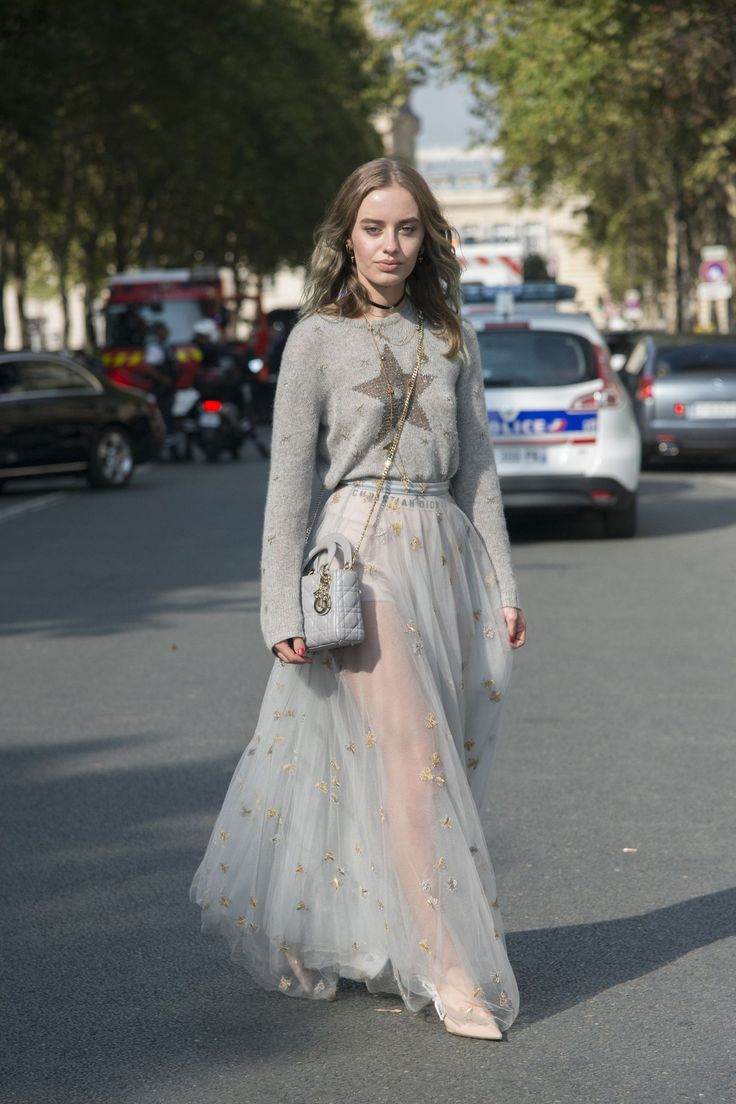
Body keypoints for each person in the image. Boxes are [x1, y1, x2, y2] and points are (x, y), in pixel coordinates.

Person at [190, 158, 528, 1041]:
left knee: (400, 760)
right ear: (347, 236)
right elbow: (287, 488)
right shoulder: (313, 340)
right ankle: (447, 968)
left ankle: (314, 929)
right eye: (374, 228)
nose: (390, 244)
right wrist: (278, 609)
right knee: (417, 770)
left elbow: (479, 465)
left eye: (407, 228)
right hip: (361, 562)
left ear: (428, 238)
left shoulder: (452, 335)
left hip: (445, 562)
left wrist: (503, 580)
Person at [143, 321, 179, 452]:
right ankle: (166, 448)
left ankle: (172, 447)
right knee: (165, 417)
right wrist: (163, 380)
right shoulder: (155, 348)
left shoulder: (165, 346)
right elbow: (148, 367)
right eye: (164, 330)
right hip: (161, 389)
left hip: (168, 388)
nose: (167, 332)